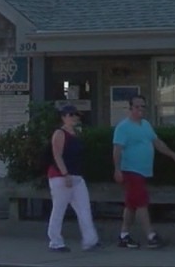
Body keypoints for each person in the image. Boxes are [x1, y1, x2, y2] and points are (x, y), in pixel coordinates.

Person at [112, 94, 175, 249]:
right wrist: (117, 169)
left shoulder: (145, 125)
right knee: (142, 202)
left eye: (143, 106)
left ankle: (124, 235)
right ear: (130, 108)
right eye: (137, 106)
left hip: (143, 171)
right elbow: (117, 149)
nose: (140, 109)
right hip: (131, 170)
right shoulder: (123, 127)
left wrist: (173, 154)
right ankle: (151, 236)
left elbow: (157, 142)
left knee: (131, 204)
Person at [46, 104, 100, 252]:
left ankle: (90, 240)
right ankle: (55, 241)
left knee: (84, 208)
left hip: (77, 176)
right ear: (63, 117)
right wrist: (65, 174)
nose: (73, 118)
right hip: (60, 176)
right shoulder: (59, 133)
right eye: (70, 115)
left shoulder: (76, 133)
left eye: (75, 115)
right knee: (59, 209)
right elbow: (57, 154)